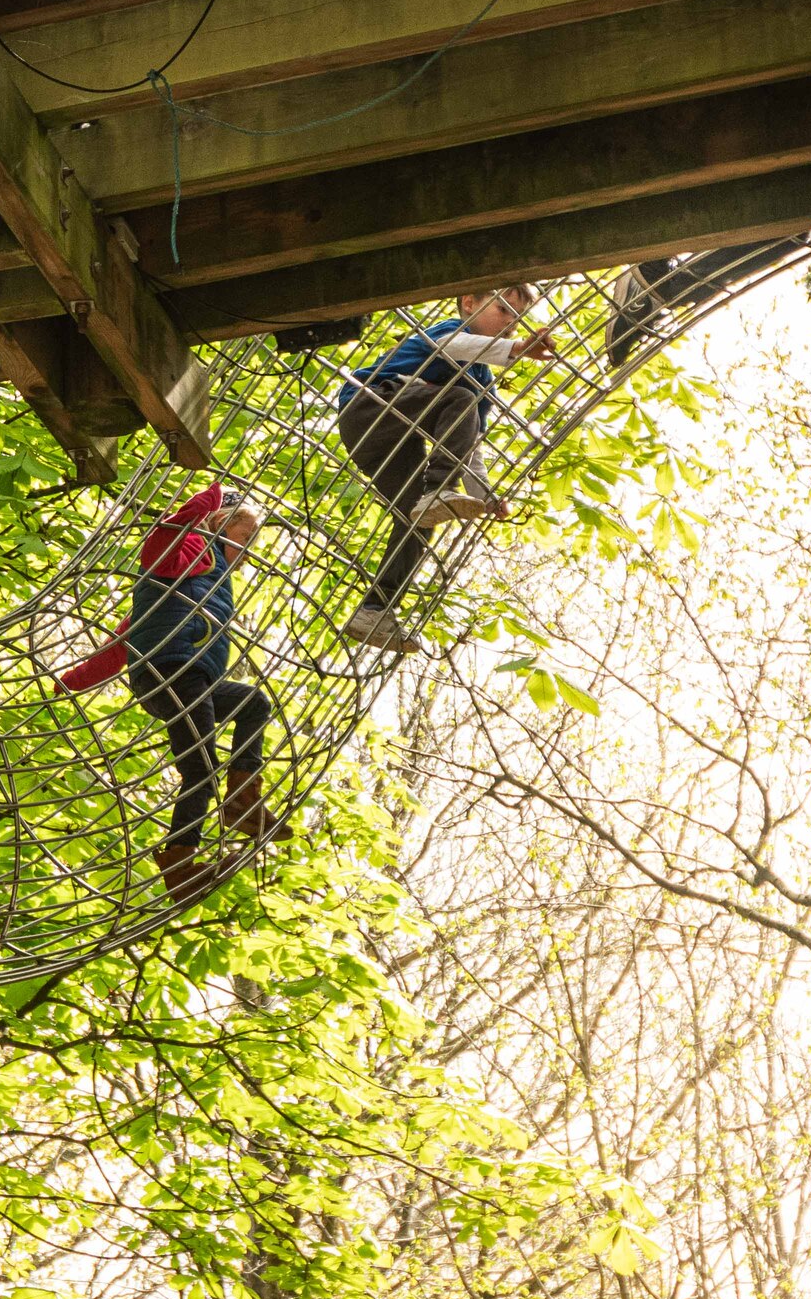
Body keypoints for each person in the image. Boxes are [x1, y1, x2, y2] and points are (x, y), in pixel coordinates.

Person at [58, 482, 285, 905]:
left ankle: (242, 794)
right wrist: (208, 499)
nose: (250, 551)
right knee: (200, 768)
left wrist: (71, 681)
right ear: (219, 526)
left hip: (192, 678)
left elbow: (119, 647)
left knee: (253, 702)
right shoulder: (192, 553)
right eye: (246, 537)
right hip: (173, 673)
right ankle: (180, 863)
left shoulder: (208, 579)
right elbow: (161, 542)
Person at [333, 286, 554, 655]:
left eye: (517, 319)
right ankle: (438, 488)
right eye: (502, 310)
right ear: (469, 303)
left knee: (419, 520)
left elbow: (470, 444)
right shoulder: (449, 330)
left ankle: (375, 609)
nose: (510, 324)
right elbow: (452, 348)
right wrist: (514, 351)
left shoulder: (483, 383)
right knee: (460, 397)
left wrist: (486, 496)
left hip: (395, 445)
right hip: (370, 407)